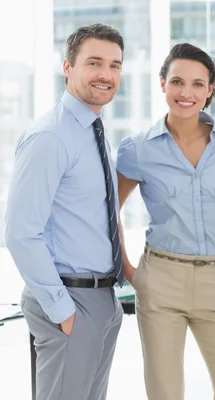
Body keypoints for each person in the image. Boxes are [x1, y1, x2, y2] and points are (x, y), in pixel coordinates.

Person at [116, 43, 215, 400]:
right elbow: (107, 210)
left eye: (197, 84)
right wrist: (129, 270)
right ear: (163, 84)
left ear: (210, 90)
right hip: (161, 282)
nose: (186, 93)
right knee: (164, 393)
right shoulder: (138, 149)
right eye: (177, 81)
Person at [4, 23, 124, 400]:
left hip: (102, 299)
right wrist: (63, 312)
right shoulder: (51, 136)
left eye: (115, 65)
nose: (106, 74)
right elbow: (21, 233)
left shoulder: (92, 129)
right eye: (94, 63)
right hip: (70, 302)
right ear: (68, 66)